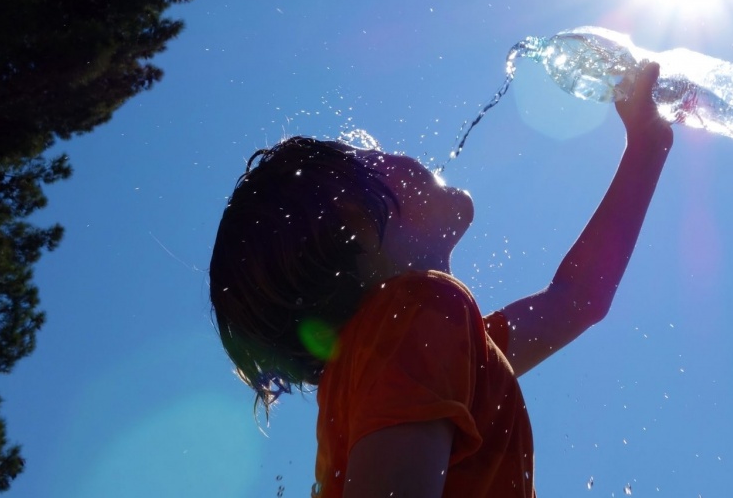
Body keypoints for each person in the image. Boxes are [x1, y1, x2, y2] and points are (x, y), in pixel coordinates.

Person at [209, 62, 673, 497]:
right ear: (357, 222)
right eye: (370, 158)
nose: (393, 152)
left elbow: (578, 299)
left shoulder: (419, 348)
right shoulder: (414, 315)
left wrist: (647, 146)